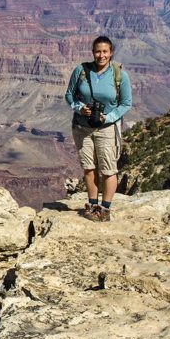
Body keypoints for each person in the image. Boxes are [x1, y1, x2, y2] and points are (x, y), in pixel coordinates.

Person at [64, 36, 133, 221]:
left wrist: (108, 117)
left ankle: (105, 208)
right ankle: (92, 204)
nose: (101, 55)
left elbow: (126, 103)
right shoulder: (81, 71)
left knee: (108, 169)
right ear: (92, 52)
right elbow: (69, 95)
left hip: (107, 128)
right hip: (82, 127)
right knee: (89, 168)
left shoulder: (119, 75)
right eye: (97, 51)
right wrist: (80, 108)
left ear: (111, 53)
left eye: (105, 51)